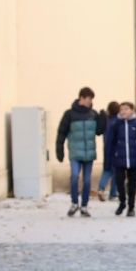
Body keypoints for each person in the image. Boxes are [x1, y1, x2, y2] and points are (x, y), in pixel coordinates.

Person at [54, 88, 104, 218]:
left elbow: (99, 131)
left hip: (89, 154)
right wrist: (59, 150)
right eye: (89, 99)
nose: (90, 101)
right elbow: (61, 132)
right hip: (75, 152)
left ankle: (84, 206)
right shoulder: (69, 114)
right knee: (75, 176)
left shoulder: (93, 114)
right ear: (81, 98)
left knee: (87, 181)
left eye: (92, 99)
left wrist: (103, 120)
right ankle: (74, 203)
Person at [103, 100, 136, 218]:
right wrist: (108, 161)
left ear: (132, 111)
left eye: (126, 109)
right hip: (119, 159)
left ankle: (131, 207)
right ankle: (122, 202)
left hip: (135, 160)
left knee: (132, 184)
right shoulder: (115, 125)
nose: (123, 111)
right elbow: (109, 143)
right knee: (119, 183)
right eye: (122, 109)